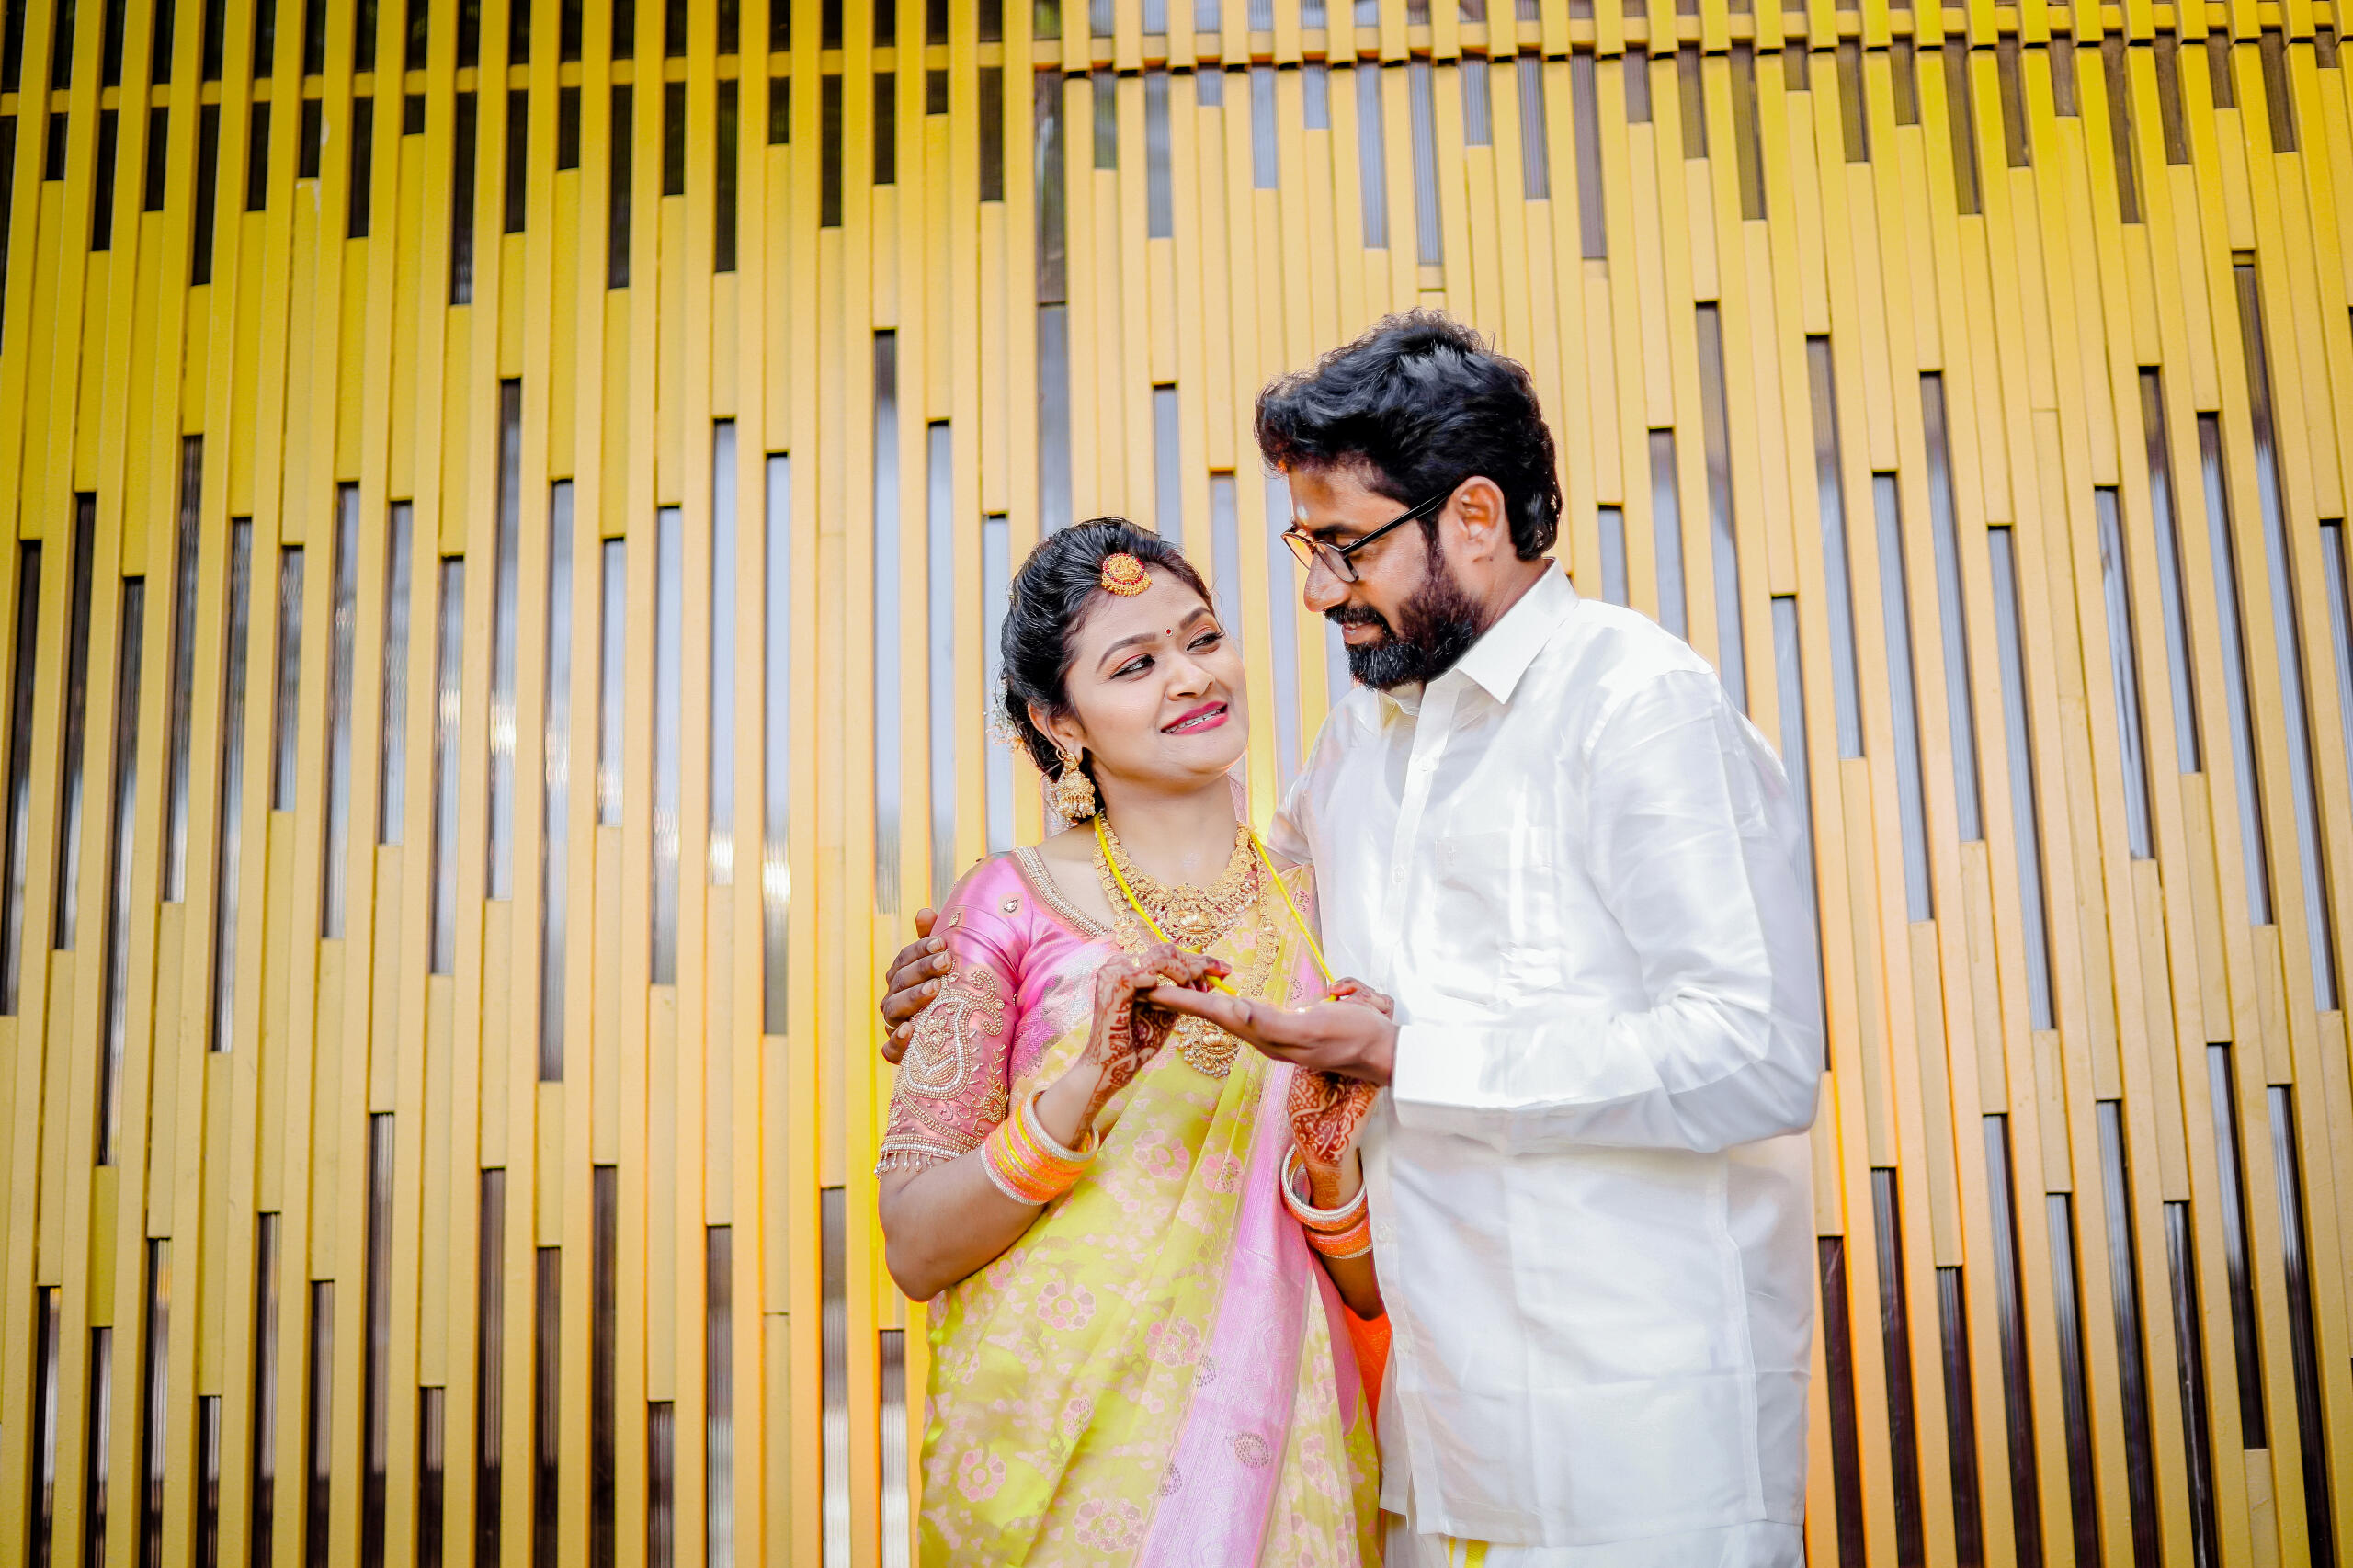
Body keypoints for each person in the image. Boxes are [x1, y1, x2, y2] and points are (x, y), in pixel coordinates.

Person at [884, 315, 1824, 1567]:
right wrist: (972, 978)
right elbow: (1199, 907)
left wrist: (1408, 1058)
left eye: (1346, 546)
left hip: (1631, 1434)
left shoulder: (1636, 706)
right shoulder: (1359, 753)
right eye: (1306, 547)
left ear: (1473, 518)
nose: (1318, 590)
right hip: (1425, 1438)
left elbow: (1756, 1052)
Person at [874, 518, 1388, 1567]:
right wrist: (1083, 1088)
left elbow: (1377, 1292)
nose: (1191, 677)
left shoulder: (1324, 906)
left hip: (1282, 1466)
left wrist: (1330, 1173)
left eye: (1202, 639)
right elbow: (915, 1246)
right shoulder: (1005, 905)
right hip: (1050, 1465)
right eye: (1135, 663)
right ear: (1059, 720)